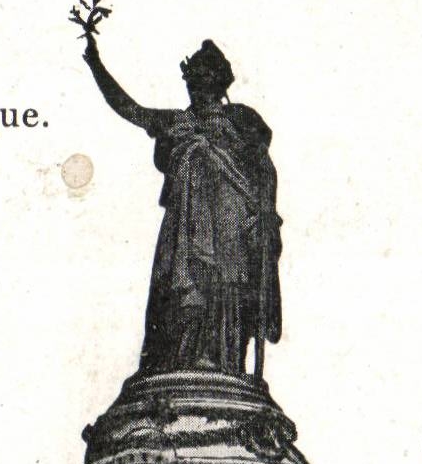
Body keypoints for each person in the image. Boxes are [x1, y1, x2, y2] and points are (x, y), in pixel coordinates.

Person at [82, 35, 282, 376]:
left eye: (204, 81)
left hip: (231, 222)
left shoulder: (241, 122)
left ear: (218, 83)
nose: (196, 89)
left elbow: (264, 170)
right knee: (183, 287)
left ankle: (226, 365)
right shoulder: (178, 123)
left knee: (227, 290)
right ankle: (182, 360)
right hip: (186, 227)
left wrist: (264, 216)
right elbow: (130, 109)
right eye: (192, 82)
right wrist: (95, 64)